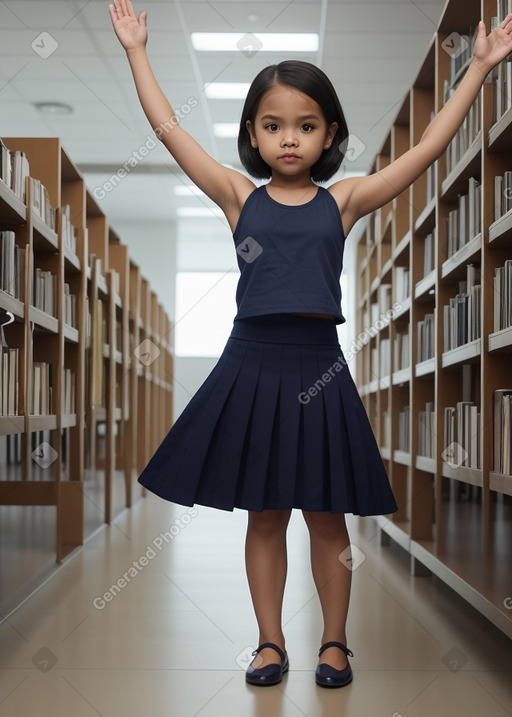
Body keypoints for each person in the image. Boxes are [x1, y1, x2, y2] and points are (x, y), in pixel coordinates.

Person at [109, 0, 512, 688]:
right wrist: (137, 52)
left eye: (306, 126)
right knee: (265, 514)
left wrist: (476, 70)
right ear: (253, 135)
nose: (289, 139)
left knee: (326, 514)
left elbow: (427, 151)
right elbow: (169, 128)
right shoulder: (238, 196)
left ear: (329, 135)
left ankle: (334, 643)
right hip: (250, 364)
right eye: (274, 126)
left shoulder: (345, 200)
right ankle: (269, 643)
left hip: (319, 366)